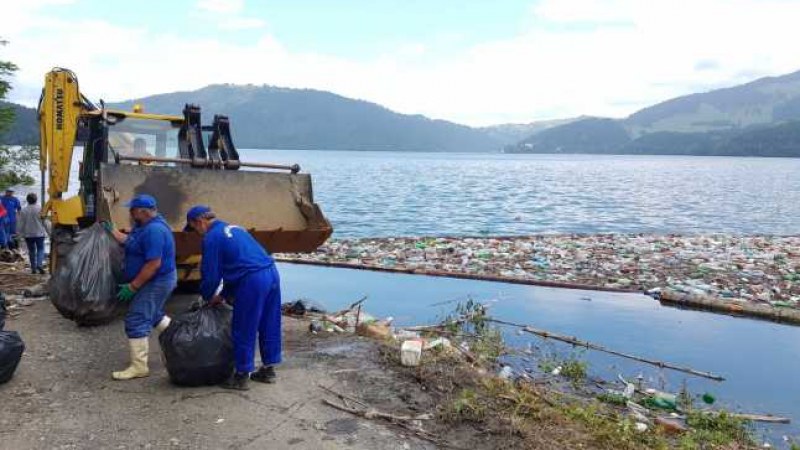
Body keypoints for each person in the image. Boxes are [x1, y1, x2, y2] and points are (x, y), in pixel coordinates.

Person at [184, 205, 281, 390]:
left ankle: (241, 376)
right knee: (269, 322)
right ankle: (268, 370)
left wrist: (206, 296)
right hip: (271, 273)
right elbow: (239, 265)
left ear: (199, 222)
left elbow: (211, 275)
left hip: (252, 280)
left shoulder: (211, 238)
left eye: (194, 229)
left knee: (244, 326)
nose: (197, 233)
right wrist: (223, 295)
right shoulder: (236, 229)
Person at [105, 194, 176, 380]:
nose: (130, 212)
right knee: (153, 314)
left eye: (133, 210)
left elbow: (153, 264)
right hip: (151, 279)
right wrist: (113, 232)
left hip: (156, 281)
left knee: (136, 318)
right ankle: (181, 337)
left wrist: (133, 287)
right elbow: (131, 242)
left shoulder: (155, 231)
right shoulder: (143, 226)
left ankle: (139, 366)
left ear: (143, 212)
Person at [17, 193, 48, 274]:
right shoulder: (40, 209)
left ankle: (33, 268)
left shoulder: (24, 210)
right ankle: (39, 264)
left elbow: (20, 223)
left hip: (28, 234)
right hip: (39, 233)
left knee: (31, 251)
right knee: (40, 249)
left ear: (27, 200)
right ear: (36, 200)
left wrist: (19, 234)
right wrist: (49, 232)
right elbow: (45, 222)